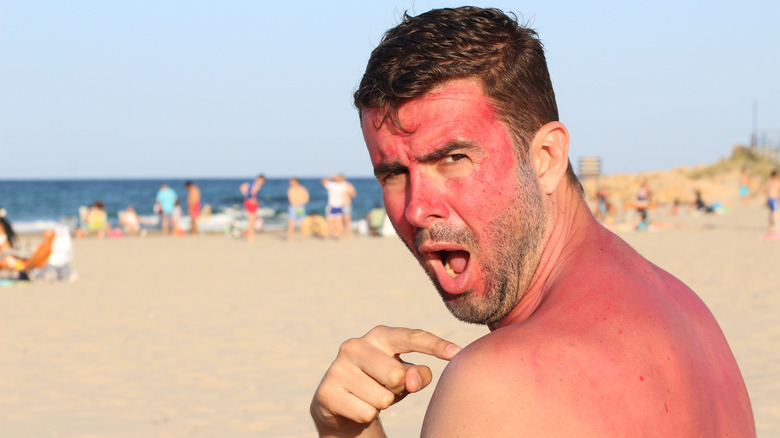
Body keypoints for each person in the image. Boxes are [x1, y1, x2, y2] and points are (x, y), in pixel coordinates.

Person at [310, 7, 754, 437]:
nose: (415, 209)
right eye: (394, 173)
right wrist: (350, 429)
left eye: (453, 158)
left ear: (547, 158)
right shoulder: (690, 316)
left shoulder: (499, 383)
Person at [321, 174, 350, 238]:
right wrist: (333, 177)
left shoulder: (343, 185)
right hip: (332, 205)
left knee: (338, 222)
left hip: (338, 205)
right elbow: (322, 181)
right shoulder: (332, 185)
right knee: (330, 222)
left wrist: (332, 177)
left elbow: (323, 181)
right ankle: (329, 234)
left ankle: (338, 235)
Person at [239, 174, 266, 242]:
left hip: (247, 201)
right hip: (252, 202)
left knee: (251, 220)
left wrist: (246, 194)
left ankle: (251, 235)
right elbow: (253, 191)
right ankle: (250, 237)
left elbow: (241, 187)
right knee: (252, 221)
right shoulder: (257, 184)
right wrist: (252, 198)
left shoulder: (250, 183)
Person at [287, 178, 310, 242]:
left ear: (296, 182)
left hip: (299, 207)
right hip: (294, 207)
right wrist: (296, 203)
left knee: (301, 222)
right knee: (291, 223)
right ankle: (289, 238)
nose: (290, 183)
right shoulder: (291, 189)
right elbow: (290, 199)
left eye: (292, 181)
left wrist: (298, 203)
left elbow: (306, 198)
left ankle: (303, 237)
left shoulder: (302, 189)